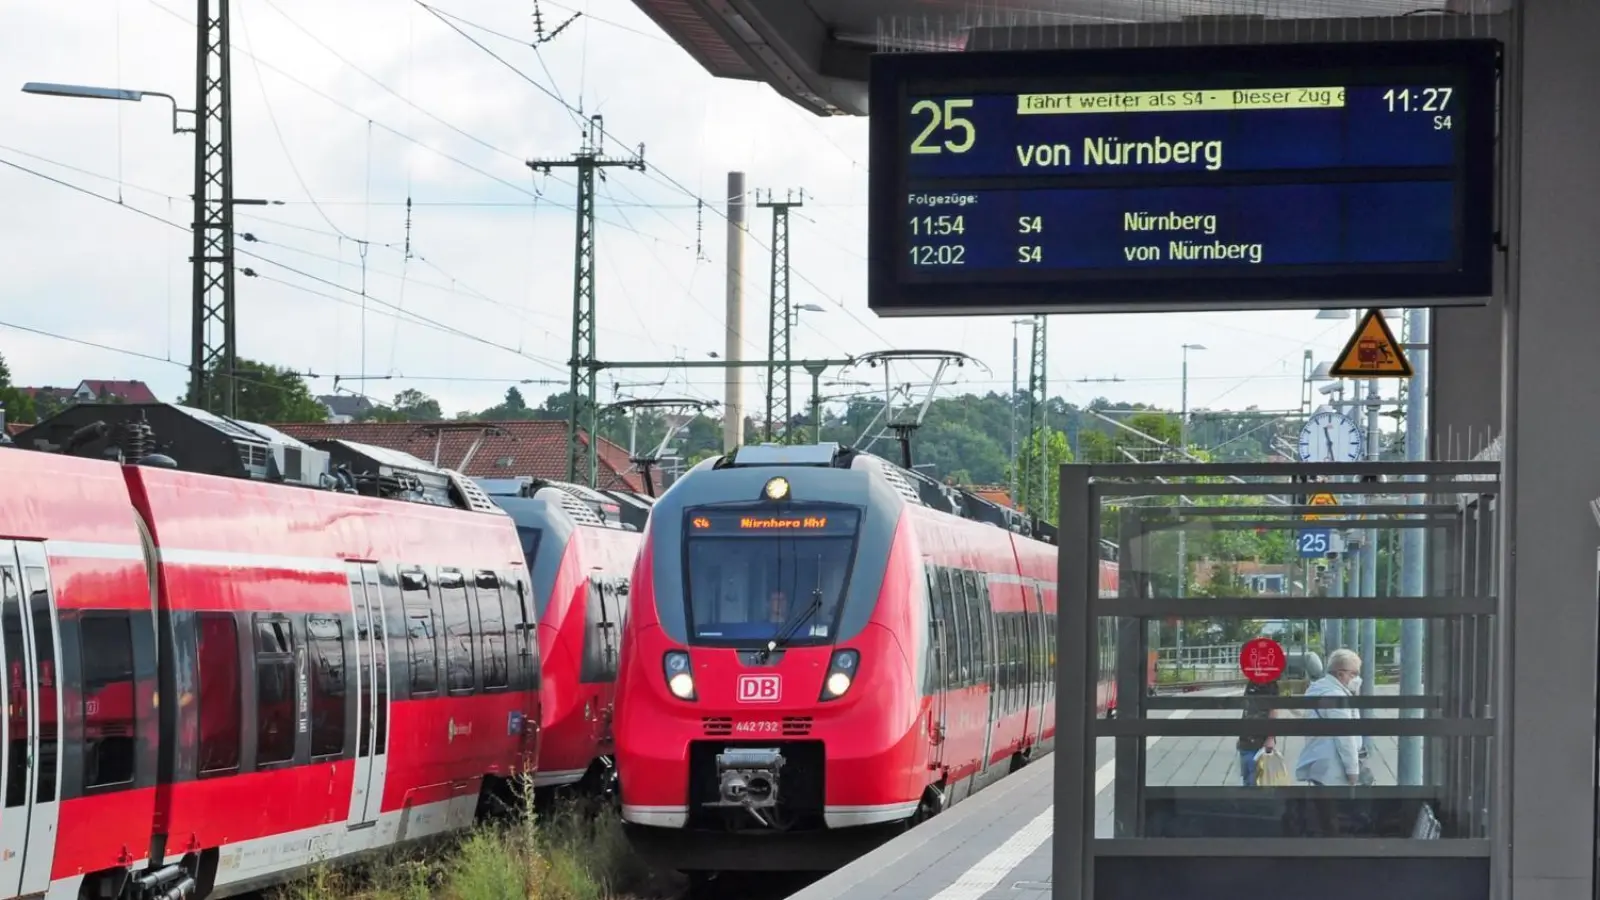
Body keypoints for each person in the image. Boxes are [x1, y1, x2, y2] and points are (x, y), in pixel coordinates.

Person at [1294, 648, 1363, 787]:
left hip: (1318, 759)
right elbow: (1345, 737)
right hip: (1333, 767)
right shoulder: (1335, 696)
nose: (1357, 679)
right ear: (1340, 674)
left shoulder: (1318, 688)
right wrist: (1352, 770)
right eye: (1354, 674)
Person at [1237, 674, 1281, 786]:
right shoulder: (1252, 682)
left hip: (1259, 741)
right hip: (1245, 740)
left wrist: (1270, 737)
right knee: (1248, 778)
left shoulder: (1270, 685)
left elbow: (1273, 711)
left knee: (1255, 780)